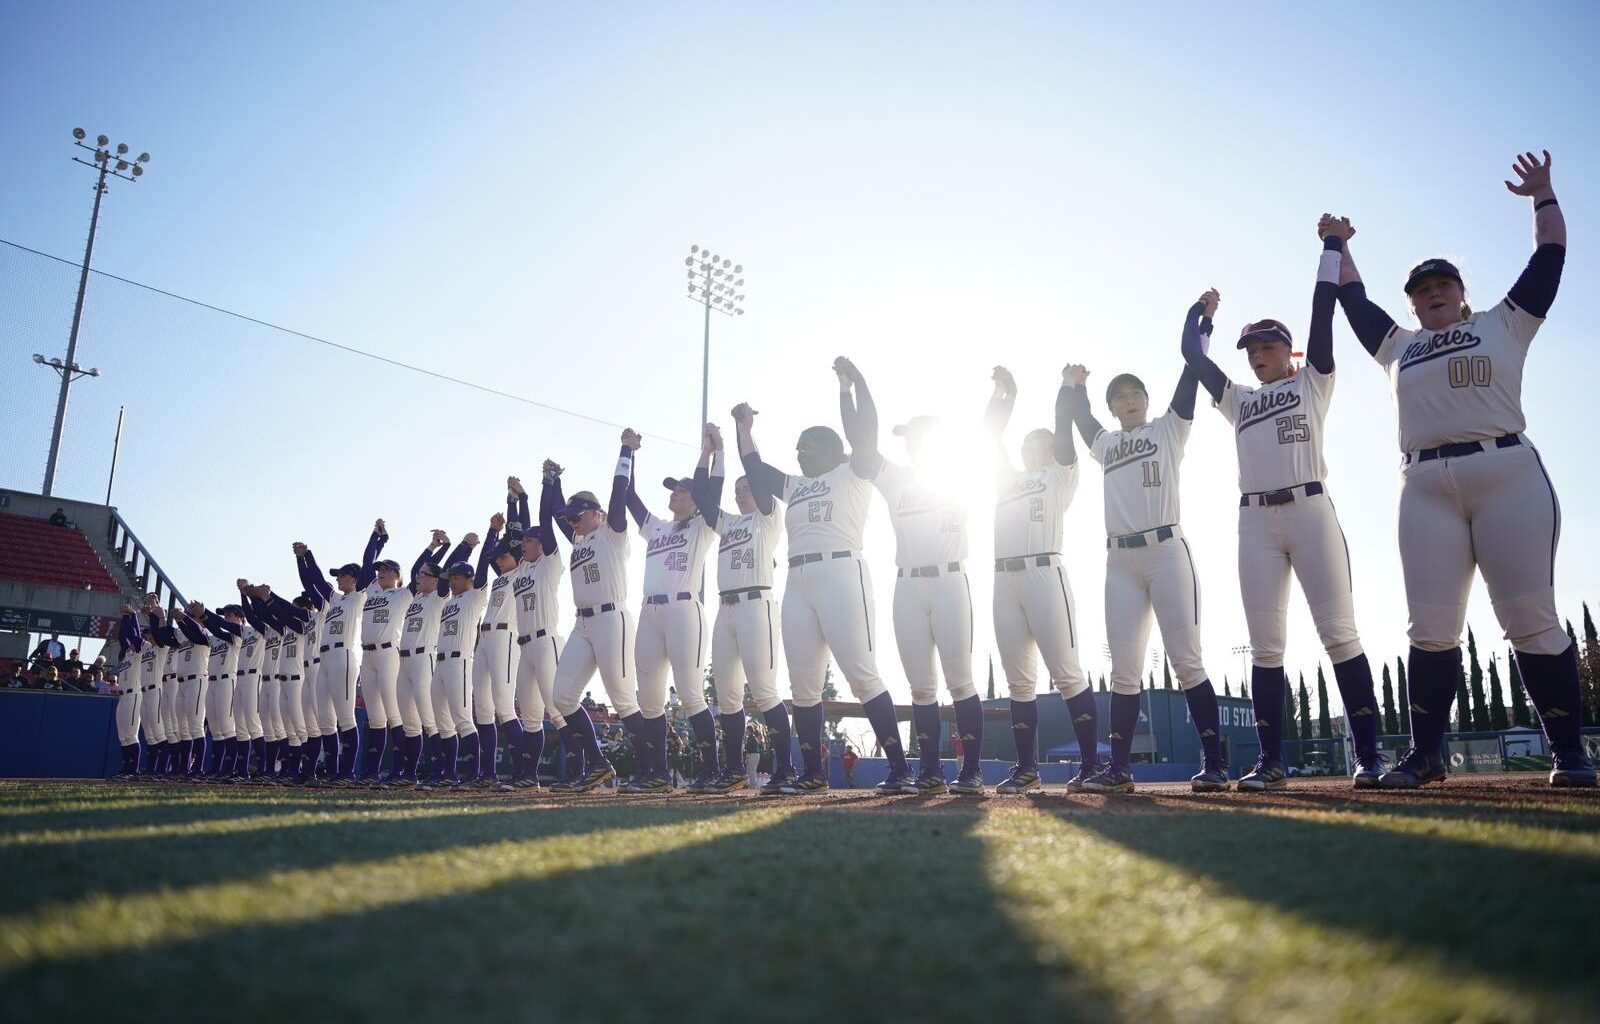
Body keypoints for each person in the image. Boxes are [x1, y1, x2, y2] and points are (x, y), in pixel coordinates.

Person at [1334, 150, 1593, 788]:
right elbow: (1354, 301)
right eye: (1422, 289)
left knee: (1529, 618)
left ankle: (1571, 755)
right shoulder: (1398, 346)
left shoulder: (1505, 323)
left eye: (1442, 284)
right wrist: (1337, 243)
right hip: (1423, 487)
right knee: (1431, 626)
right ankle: (1426, 757)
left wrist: (1543, 196)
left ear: (1460, 290)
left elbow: (1549, 259)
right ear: (1415, 305)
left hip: (1505, 472)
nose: (1432, 293)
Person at [1179, 228, 1382, 791]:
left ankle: (1368, 757)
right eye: (1251, 349)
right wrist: (1203, 314)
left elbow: (1324, 311)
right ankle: (1271, 762)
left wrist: (1332, 248)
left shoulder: (1313, 383)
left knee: (1339, 634)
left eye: (1268, 346)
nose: (1258, 355)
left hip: (1310, 512)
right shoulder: (1238, 399)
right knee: (1266, 647)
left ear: (1287, 351)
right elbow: (1191, 356)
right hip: (1254, 522)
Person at [734, 358, 916, 796]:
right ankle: (813, 774)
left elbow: (864, 432)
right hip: (797, 583)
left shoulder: (852, 469)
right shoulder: (795, 485)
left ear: (832, 449)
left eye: (807, 446)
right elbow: (757, 470)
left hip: (841, 572)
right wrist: (743, 427)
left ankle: (901, 770)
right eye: (797, 448)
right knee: (802, 685)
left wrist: (850, 386)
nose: (799, 453)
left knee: (861, 673)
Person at [1066, 353, 1228, 794]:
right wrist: (1075, 384)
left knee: (1186, 661)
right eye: (1120, 397)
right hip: (1119, 562)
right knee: (1124, 671)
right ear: (1113, 408)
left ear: (1146, 399)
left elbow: (1191, 373)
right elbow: (1082, 419)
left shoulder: (1168, 429)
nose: (1129, 400)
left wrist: (1201, 326)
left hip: (1166, 552)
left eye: (1135, 392)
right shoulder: (1105, 445)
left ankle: (1214, 763)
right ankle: (1119, 770)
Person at [837, 358, 984, 795]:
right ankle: (931, 771)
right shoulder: (895, 477)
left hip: (950, 581)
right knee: (921, 686)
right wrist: (852, 388)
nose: (913, 444)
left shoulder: (963, 471)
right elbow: (861, 443)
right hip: (907, 584)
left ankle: (971, 770)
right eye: (909, 438)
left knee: (959, 680)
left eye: (921, 437)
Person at [984, 364, 1098, 794]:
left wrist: (1068, 386)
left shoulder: (1060, 474)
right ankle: (1026, 767)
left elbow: (1063, 429)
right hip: (1003, 580)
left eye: (1042, 445)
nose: (1035, 450)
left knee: (1067, 673)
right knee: (1019, 681)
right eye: (1029, 445)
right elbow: (989, 437)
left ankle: (1090, 765)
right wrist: (1004, 397)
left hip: (1045, 573)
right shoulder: (1008, 479)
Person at [547, 430, 649, 793]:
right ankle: (598, 764)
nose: (572, 523)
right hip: (583, 623)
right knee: (561, 697)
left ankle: (654, 770)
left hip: (612, 619)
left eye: (578, 516)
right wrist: (552, 480)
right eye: (571, 519)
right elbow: (557, 515)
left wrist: (626, 450)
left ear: (597, 515)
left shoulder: (612, 532)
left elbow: (618, 493)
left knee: (623, 699)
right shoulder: (579, 537)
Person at [624, 430, 721, 793]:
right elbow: (630, 498)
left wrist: (708, 454)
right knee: (648, 698)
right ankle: (657, 774)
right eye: (673, 490)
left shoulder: (703, 526)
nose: (674, 494)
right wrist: (628, 453)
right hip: (650, 613)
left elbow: (711, 491)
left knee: (690, 691)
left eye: (680, 490)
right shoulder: (657, 528)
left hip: (684, 610)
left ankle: (712, 771)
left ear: (695, 499)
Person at [701, 422, 795, 794]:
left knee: (764, 690)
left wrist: (743, 433)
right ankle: (734, 770)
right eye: (737, 490)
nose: (742, 493)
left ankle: (785, 768)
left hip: (757, 605)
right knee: (727, 695)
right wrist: (715, 452)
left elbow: (756, 471)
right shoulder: (727, 523)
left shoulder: (768, 518)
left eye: (746, 488)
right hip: (725, 611)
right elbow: (708, 501)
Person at [294, 524, 385, 786]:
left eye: (343, 576)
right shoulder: (334, 600)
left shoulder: (358, 596)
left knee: (345, 717)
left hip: (345, 657)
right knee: (325, 720)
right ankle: (333, 772)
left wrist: (376, 537)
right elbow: (313, 582)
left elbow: (368, 563)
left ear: (354, 579)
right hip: (325, 659)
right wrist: (304, 558)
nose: (338, 579)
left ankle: (347, 773)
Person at [505, 470, 568, 790]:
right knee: (530, 718)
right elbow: (518, 530)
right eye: (525, 541)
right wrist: (514, 500)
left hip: (546, 641)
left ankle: (587, 768)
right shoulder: (522, 569)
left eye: (531, 541)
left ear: (541, 544)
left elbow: (543, 525)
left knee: (558, 711)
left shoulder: (549, 563)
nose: (524, 544)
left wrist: (543, 486)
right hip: (524, 647)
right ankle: (528, 776)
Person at [469, 511, 522, 790]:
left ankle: (523, 773)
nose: (499, 560)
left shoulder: (524, 569)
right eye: (498, 557)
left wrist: (514, 501)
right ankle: (487, 774)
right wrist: (491, 532)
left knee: (504, 706)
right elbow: (485, 560)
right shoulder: (501, 576)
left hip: (506, 636)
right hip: (486, 639)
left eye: (505, 555)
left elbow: (518, 532)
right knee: (484, 711)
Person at [110, 605, 145, 779]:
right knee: (123, 736)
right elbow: (123, 635)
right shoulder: (125, 653)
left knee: (131, 735)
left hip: (134, 695)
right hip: (123, 697)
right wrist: (124, 616)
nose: (129, 642)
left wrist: (132, 616)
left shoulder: (139, 653)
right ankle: (126, 768)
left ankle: (134, 770)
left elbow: (134, 635)